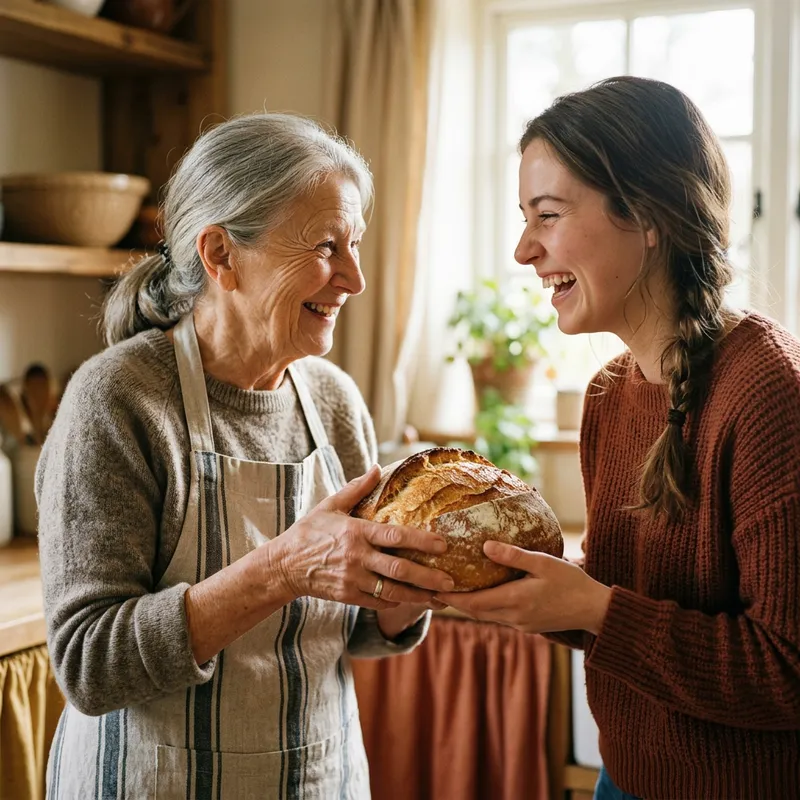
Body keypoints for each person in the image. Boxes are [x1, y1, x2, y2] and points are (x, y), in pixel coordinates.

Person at [36, 112, 455, 799]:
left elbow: (355, 632)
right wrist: (284, 567)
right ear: (220, 254)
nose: (354, 279)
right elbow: (91, 664)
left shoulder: (334, 401)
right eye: (326, 246)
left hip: (319, 778)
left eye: (356, 246)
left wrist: (409, 589)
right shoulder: (119, 400)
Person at [438, 76, 800, 800]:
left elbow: (787, 671)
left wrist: (594, 609)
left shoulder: (769, 395)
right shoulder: (608, 396)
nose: (522, 250)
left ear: (649, 215)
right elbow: (620, 620)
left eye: (547, 215)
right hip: (623, 783)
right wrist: (531, 594)